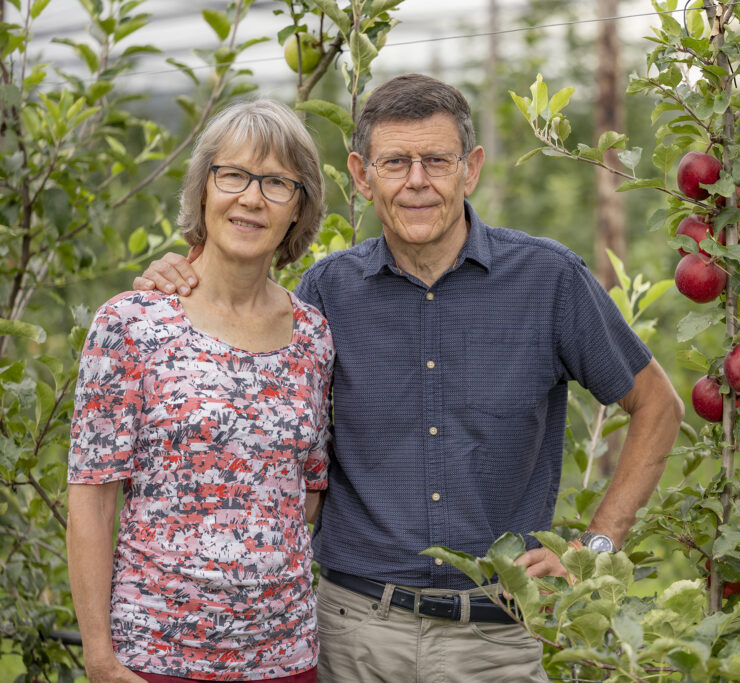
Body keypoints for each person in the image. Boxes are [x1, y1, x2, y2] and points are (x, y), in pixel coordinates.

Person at [136, 73, 685, 682]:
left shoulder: (548, 280)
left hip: (496, 642)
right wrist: (182, 275)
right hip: (353, 636)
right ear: (363, 175)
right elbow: (250, 385)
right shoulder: (326, 293)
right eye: (395, 162)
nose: (417, 181)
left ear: (470, 169)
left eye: (436, 161)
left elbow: (658, 406)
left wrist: (595, 549)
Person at [67, 99, 334, 682]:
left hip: (284, 659)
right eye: (233, 175)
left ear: (299, 210)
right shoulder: (132, 323)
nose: (251, 197)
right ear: (205, 190)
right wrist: (99, 659)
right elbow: (91, 497)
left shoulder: (313, 335)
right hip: (156, 657)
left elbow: (307, 491)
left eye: (277, 183)